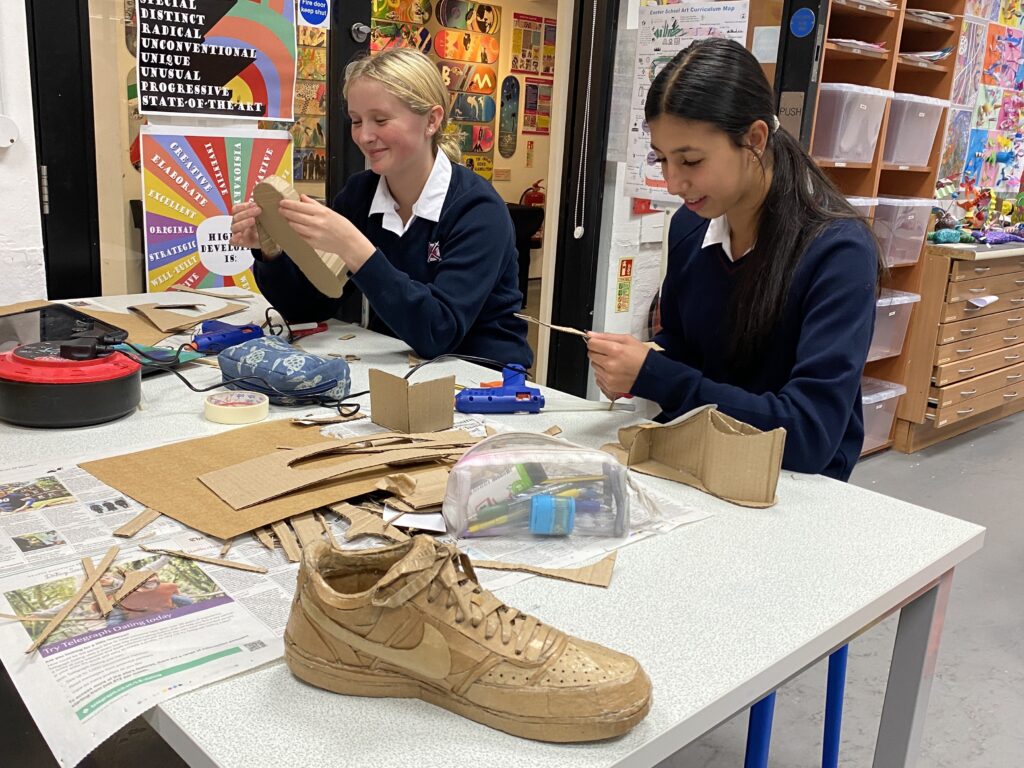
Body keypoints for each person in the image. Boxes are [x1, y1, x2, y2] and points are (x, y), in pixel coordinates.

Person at [587, 38, 882, 481]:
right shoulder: (690, 227)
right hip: (697, 463)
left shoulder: (837, 251)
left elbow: (807, 436)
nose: (673, 183)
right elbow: (686, 347)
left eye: (690, 160)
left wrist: (658, 376)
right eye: (662, 160)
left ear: (755, 138)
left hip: (793, 487)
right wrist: (644, 360)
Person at [230, 49, 531, 367]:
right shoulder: (360, 194)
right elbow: (308, 308)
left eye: (381, 120)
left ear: (431, 120)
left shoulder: (477, 210)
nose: (364, 136)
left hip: (483, 379)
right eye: (356, 121)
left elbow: (438, 332)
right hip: (400, 366)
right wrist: (272, 251)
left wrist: (354, 248)